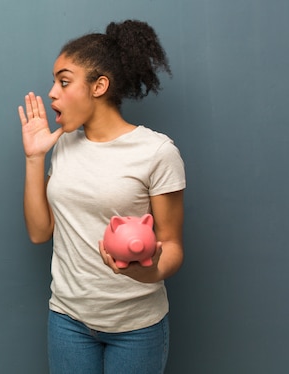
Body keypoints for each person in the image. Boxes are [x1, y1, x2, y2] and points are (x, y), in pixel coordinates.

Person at [18, 19, 186, 374]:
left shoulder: (156, 151)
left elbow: (171, 246)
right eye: (54, 82)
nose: (52, 92)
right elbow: (39, 232)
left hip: (136, 326)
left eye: (64, 82)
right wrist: (34, 158)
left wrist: (146, 273)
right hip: (68, 320)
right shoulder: (62, 144)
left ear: (100, 86)